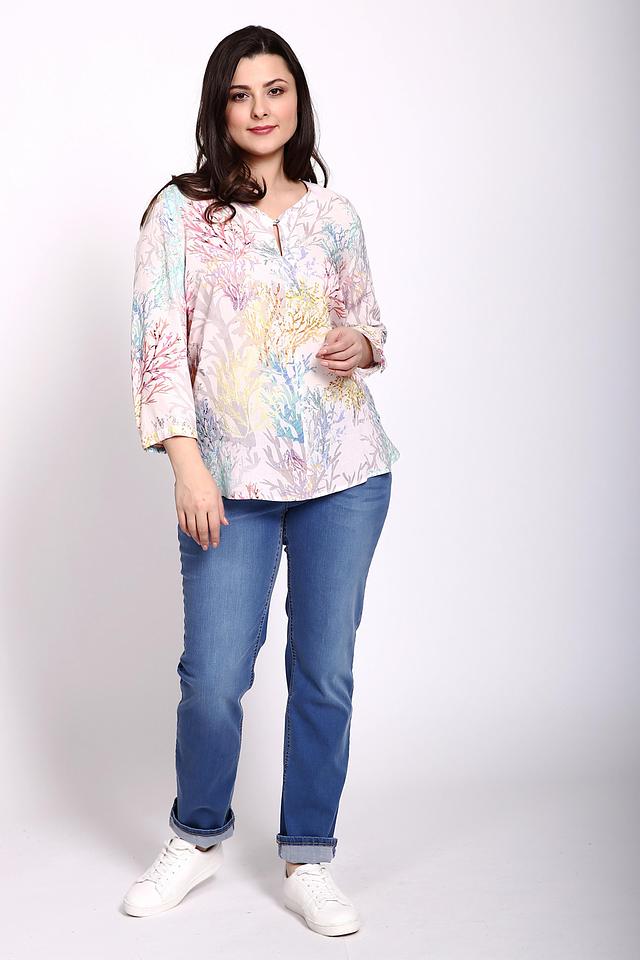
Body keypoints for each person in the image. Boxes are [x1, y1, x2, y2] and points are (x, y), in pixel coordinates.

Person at [122, 24, 400, 937]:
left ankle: (308, 855)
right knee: (212, 676)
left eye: (275, 90)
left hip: (344, 472)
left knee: (325, 673)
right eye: (241, 95)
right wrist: (186, 465)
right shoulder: (179, 212)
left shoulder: (334, 214)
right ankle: (197, 836)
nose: (260, 109)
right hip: (228, 481)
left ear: (297, 100)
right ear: (220, 107)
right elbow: (157, 347)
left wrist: (361, 342)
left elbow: (370, 326)